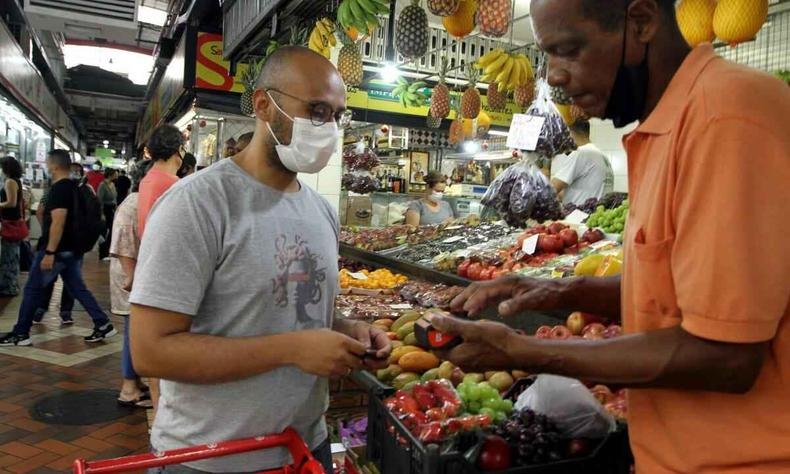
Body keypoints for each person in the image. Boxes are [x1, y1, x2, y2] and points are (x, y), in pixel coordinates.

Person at [426, 1, 790, 473]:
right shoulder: (664, 128)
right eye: (547, 55)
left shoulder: (726, 117)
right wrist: (559, 288)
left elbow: (726, 356)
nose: (554, 76)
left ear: (640, 23)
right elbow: (681, 295)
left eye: (568, 50)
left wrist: (522, 351)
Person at [128, 46, 390, 473]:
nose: (330, 128)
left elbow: (289, 309)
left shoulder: (320, 211)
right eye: (318, 111)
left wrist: (348, 330)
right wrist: (291, 350)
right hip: (211, 458)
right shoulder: (197, 205)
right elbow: (151, 351)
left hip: (306, 444)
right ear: (265, 106)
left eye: (338, 116)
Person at [0, 150, 116, 347]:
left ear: (54, 165)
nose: (46, 166)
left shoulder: (59, 189)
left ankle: (21, 333)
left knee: (32, 289)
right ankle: (103, 323)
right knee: (78, 288)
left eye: (47, 162)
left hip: (59, 250)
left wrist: (50, 252)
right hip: (73, 248)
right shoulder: (75, 187)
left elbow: (58, 222)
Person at [135, 124, 185, 419]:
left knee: (158, 352)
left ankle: (159, 413)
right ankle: (166, 414)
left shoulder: (148, 180)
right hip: (171, 274)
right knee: (169, 352)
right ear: (178, 150)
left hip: (151, 268)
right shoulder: (173, 184)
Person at [111, 160, 154, 408]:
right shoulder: (134, 203)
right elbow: (124, 244)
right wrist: (132, 277)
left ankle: (134, 382)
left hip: (136, 276)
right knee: (133, 331)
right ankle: (128, 387)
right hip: (133, 279)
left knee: (134, 330)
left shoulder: (139, 200)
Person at [550, 120, 614, 205]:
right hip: (593, 214)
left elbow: (551, 189)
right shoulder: (601, 156)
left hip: (578, 216)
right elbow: (586, 191)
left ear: (569, 133)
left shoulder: (581, 153)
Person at [0, 156, 25, 296]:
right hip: (14, 222)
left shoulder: (10, 182)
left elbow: (11, 202)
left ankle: (8, 287)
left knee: (8, 256)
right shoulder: (17, 181)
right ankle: (11, 285)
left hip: (10, 222)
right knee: (12, 255)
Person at [97, 168, 118, 261]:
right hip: (105, 210)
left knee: (111, 231)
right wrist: (101, 214)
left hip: (112, 209)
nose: (117, 175)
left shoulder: (112, 184)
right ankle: (102, 254)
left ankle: (107, 252)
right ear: (110, 175)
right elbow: (99, 200)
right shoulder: (102, 185)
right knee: (104, 232)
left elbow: (114, 198)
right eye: (115, 174)